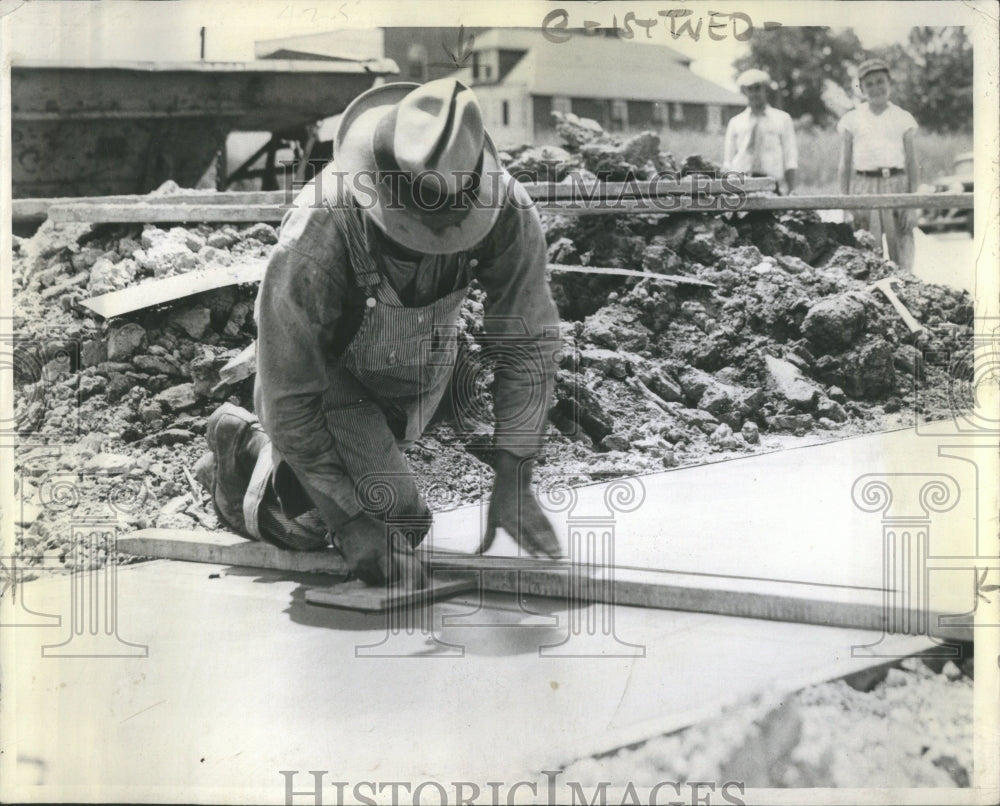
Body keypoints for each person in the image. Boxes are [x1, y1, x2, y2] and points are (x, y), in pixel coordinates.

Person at [196, 79, 563, 588]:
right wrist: (348, 521)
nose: (429, 244)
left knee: (382, 522)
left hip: (421, 375)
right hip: (333, 386)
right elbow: (287, 393)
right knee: (390, 527)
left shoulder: (504, 211)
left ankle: (326, 469)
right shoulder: (317, 232)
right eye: (410, 232)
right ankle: (246, 451)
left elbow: (528, 344)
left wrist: (514, 475)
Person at [837, 58, 919, 272]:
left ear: (890, 83)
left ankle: (905, 290)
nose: (876, 88)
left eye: (880, 81)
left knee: (902, 248)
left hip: (896, 184)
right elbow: (845, 164)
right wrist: (845, 206)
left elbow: (912, 164)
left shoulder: (903, 117)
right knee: (866, 250)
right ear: (861, 88)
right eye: (869, 84)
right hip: (864, 185)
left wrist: (912, 205)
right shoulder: (851, 119)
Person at [724, 68, 798, 194]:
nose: (754, 94)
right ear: (744, 92)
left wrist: (792, 189)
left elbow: (790, 157)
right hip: (742, 184)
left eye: (758, 88)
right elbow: (728, 160)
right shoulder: (736, 122)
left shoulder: (782, 119)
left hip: (771, 184)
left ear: (766, 90)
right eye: (750, 89)